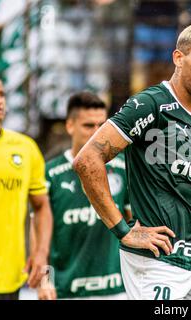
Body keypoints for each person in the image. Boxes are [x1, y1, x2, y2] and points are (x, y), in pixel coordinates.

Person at [73, 22, 191, 300]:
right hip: (157, 262)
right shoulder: (150, 104)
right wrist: (123, 231)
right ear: (178, 58)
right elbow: (87, 159)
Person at [37, 92, 130, 300]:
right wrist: (45, 280)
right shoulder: (50, 174)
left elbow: (136, 224)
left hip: (117, 291)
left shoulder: (123, 167)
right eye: (89, 126)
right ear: (70, 126)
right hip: (66, 291)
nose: (97, 134)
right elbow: (41, 233)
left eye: (101, 126)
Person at [0, 72, 52, 300]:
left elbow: (41, 207)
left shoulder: (25, 148)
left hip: (11, 279)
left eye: (1, 94)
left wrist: (40, 254)